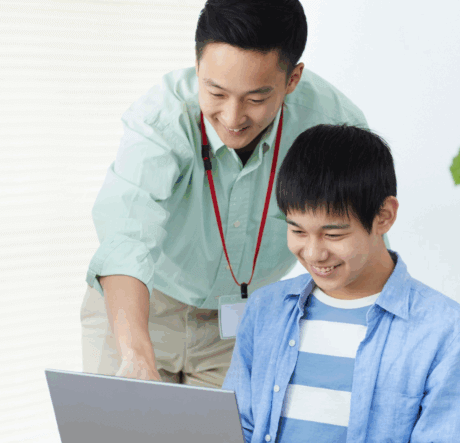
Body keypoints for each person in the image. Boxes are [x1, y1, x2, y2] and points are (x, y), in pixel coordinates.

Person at [81, 0, 367, 388]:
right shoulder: (163, 117)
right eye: (215, 92)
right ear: (198, 67)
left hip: (241, 322)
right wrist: (135, 354)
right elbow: (125, 238)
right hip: (140, 307)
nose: (232, 119)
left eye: (256, 99)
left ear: (292, 79)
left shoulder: (330, 125)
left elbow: (356, 240)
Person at [222, 124, 460, 442]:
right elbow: (236, 428)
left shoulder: (448, 331)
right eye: (298, 231)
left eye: (333, 234)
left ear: (384, 216)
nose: (314, 253)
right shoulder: (266, 309)